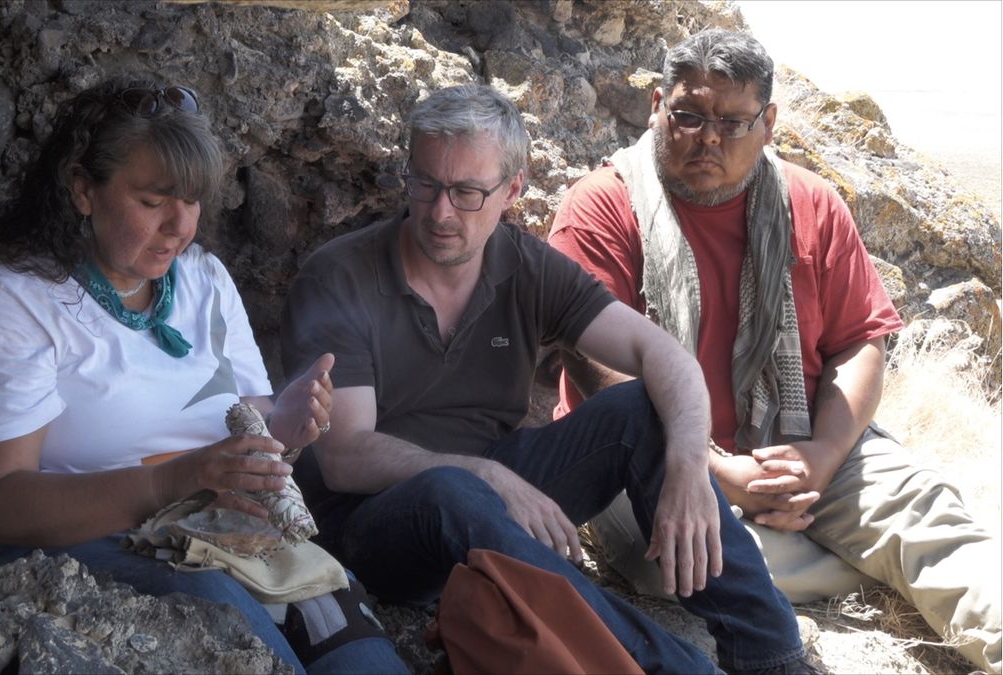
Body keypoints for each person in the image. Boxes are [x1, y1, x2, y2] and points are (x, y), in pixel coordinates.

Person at [282, 82, 819, 674]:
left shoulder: (525, 265)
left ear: (512, 189)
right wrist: (482, 475)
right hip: (375, 527)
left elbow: (663, 357)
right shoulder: (342, 276)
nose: (440, 212)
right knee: (453, 490)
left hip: (495, 489)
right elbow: (345, 458)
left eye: (467, 193)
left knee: (641, 412)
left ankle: (773, 653)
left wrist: (690, 468)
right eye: (425, 185)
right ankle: (676, 668)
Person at [548, 29, 1001, 674]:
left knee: (926, 514)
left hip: (801, 437)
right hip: (652, 459)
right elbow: (600, 370)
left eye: (732, 122)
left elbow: (858, 343)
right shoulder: (600, 207)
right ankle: (867, 563)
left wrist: (822, 456)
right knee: (675, 562)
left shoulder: (810, 202)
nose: (708, 138)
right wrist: (714, 472)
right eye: (688, 115)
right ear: (655, 107)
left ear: (769, 123)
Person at [0, 75, 407, 674]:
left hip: (207, 526)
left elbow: (249, 419)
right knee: (224, 618)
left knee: (341, 621)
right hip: (36, 549)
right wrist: (170, 482)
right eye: (153, 202)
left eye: (192, 200)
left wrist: (285, 425)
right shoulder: (13, 298)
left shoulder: (202, 277)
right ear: (83, 190)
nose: (180, 226)